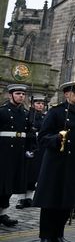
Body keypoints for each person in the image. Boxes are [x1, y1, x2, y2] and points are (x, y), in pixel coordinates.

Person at [33, 81, 75, 242]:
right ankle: (46, 236)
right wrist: (57, 138)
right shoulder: (55, 112)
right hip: (56, 163)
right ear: (66, 94)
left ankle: (59, 234)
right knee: (51, 200)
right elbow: (42, 137)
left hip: (74, 163)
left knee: (67, 200)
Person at [1, 84, 34, 227]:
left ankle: (2, 214)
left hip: (18, 153)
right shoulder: (2, 112)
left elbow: (29, 133)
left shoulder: (25, 113)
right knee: (2, 184)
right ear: (10, 95)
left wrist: (30, 148)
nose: (21, 96)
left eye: (23, 94)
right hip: (3, 153)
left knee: (10, 185)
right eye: (18, 93)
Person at [17, 94, 45, 209]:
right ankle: (21, 199)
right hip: (29, 147)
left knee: (35, 175)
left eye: (42, 104)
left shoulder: (44, 117)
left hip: (40, 149)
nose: (40, 106)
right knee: (26, 175)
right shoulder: (28, 115)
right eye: (38, 103)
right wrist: (31, 134)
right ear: (33, 104)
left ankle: (29, 197)